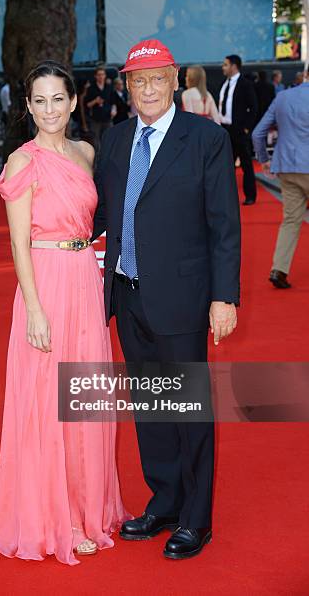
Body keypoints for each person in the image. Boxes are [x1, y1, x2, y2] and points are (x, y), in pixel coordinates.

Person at [92, 39, 241, 560]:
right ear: (126, 86)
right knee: (152, 408)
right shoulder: (112, 140)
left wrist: (224, 296)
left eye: (158, 78)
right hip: (128, 295)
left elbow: (224, 223)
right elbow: (104, 215)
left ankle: (196, 519)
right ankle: (166, 502)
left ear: (176, 81)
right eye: (138, 80)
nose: (148, 88)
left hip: (183, 296)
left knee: (188, 409)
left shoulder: (204, 139)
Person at [0, 60, 131, 565]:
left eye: (58, 99)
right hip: (44, 283)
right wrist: (33, 309)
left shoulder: (87, 152)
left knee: (85, 399)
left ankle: (90, 508)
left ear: (74, 102)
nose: (49, 109)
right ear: (28, 107)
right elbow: (18, 243)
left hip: (84, 283)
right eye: (39, 100)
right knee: (49, 404)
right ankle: (63, 518)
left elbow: (101, 220)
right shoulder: (22, 163)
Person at [252, 71, 309, 289]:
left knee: (290, 220)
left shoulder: (284, 97)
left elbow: (258, 133)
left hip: (287, 166)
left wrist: (264, 159)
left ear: (305, 75)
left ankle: (279, 269)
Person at [219, 54, 258, 205]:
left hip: (239, 130)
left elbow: (254, 107)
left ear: (234, 66)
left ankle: (250, 196)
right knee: (227, 166)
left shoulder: (245, 84)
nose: (223, 67)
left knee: (246, 164)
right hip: (225, 129)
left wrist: (247, 128)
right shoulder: (225, 83)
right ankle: (228, 197)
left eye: (225, 64)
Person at [85, 66, 113, 148]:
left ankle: (107, 159)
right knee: (96, 142)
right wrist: (95, 101)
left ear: (105, 76)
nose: (101, 76)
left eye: (102, 74)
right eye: (99, 75)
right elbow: (87, 105)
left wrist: (114, 110)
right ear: (96, 76)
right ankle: (97, 159)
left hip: (107, 118)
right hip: (95, 119)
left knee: (108, 139)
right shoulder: (91, 88)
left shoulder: (109, 87)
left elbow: (113, 102)